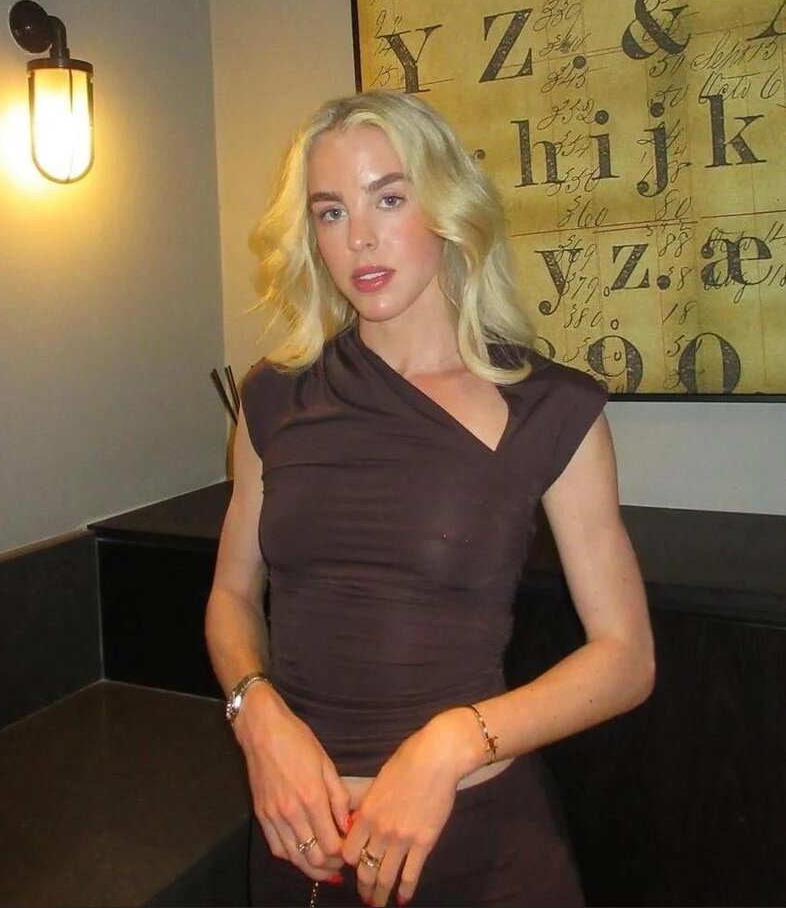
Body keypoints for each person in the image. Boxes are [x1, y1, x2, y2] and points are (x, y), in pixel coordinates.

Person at [205, 91, 655, 908]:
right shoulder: (273, 398)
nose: (360, 238)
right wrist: (255, 714)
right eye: (331, 212)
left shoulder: (547, 409)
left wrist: (448, 745)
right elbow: (233, 594)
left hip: (477, 843)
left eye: (388, 198)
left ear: (447, 206)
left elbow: (626, 658)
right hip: (301, 842)